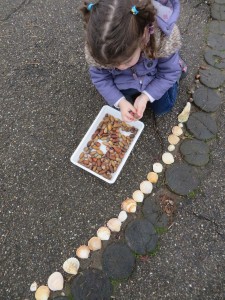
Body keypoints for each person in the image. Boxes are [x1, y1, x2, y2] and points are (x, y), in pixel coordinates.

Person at [80, 0, 186, 122]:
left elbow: (168, 74)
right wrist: (120, 101)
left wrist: (147, 96)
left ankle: (178, 66)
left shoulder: (162, 41)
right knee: (118, 109)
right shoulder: (100, 49)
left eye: (127, 60)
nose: (120, 67)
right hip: (125, 82)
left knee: (162, 109)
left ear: (144, 37)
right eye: (111, 64)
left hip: (155, 76)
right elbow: (100, 78)